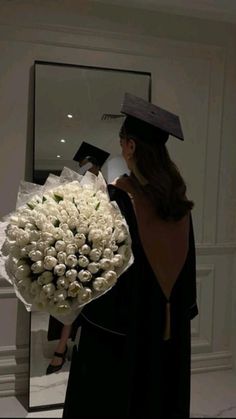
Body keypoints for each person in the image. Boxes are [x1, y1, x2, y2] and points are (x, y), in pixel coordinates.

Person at [62, 93, 198, 418]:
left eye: (122, 140)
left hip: (119, 339)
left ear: (131, 146)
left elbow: (93, 275)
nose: (121, 146)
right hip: (167, 339)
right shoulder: (179, 205)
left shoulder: (114, 201)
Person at [46, 145, 110, 375]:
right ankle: (63, 347)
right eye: (84, 164)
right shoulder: (79, 185)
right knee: (72, 299)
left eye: (89, 163)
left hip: (98, 251)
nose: (85, 167)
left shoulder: (106, 187)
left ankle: (69, 347)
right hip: (76, 248)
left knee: (88, 301)